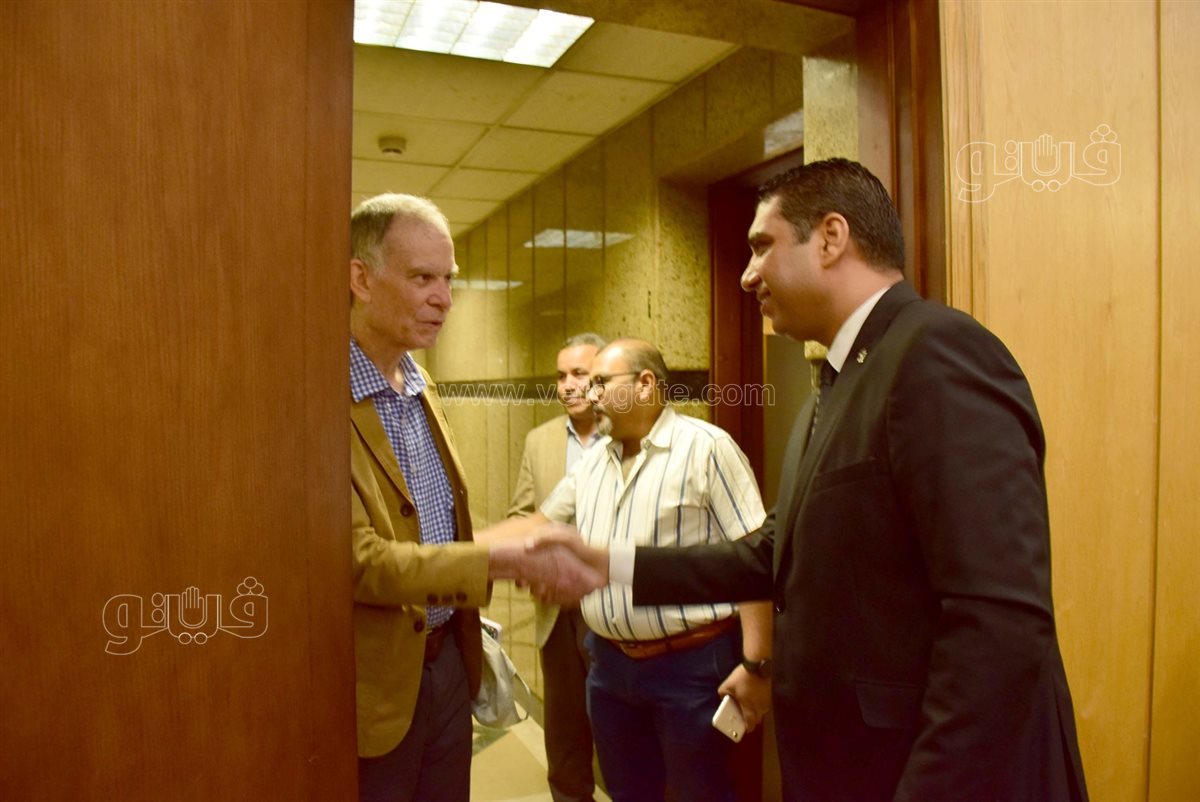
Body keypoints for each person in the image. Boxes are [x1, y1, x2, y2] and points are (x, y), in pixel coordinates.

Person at [531, 160, 1089, 802]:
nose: (747, 275)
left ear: (830, 238)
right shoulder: (833, 387)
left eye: (761, 246)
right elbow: (769, 555)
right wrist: (605, 564)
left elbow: (999, 625)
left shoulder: (937, 352)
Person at [349, 193, 600, 802]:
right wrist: (499, 560)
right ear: (361, 279)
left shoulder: (421, 384)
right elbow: (361, 562)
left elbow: (436, 525)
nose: (444, 298)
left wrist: (515, 543)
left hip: (446, 667)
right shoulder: (319, 396)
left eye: (449, 279)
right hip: (376, 689)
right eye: (422, 278)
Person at [492, 338, 773, 802]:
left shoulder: (706, 449)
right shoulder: (594, 463)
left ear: (645, 384)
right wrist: (446, 553)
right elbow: (538, 525)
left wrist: (756, 665)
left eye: (601, 382)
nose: (591, 394)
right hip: (609, 669)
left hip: (691, 670)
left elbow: (753, 561)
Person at [508, 333, 607, 802]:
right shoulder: (540, 440)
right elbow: (520, 513)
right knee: (565, 732)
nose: (568, 385)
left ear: (602, 377)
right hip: (557, 613)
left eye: (579, 374)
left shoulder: (628, 435)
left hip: (614, 606)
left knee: (619, 732)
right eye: (561, 375)